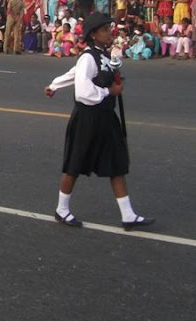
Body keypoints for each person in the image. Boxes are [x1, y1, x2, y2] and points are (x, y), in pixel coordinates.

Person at [44, 13, 154, 230]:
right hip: (87, 119)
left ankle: (128, 215)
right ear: (94, 35)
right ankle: (62, 209)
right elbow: (83, 91)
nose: (109, 33)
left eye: (109, 29)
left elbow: (73, 74)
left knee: (116, 163)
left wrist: (55, 85)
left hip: (105, 118)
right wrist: (109, 91)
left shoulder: (102, 56)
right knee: (75, 164)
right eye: (104, 30)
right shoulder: (88, 57)